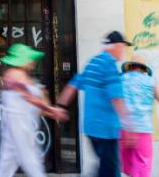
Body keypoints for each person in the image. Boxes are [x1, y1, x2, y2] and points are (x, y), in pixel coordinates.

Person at [57, 31, 133, 177]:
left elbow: (73, 85)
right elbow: (116, 98)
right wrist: (128, 125)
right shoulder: (109, 65)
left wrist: (60, 107)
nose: (124, 50)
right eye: (123, 46)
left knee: (104, 168)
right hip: (106, 130)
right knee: (110, 172)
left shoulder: (93, 62)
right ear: (117, 46)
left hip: (91, 129)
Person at [0, 43, 67, 177]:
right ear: (22, 60)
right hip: (20, 123)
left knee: (8, 159)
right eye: (30, 58)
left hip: (16, 122)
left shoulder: (15, 74)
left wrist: (49, 110)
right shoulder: (16, 75)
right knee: (29, 158)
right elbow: (30, 98)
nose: (33, 61)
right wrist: (52, 110)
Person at [120, 55, 159, 177]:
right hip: (143, 130)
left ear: (130, 66)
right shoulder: (150, 82)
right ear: (144, 69)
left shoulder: (121, 79)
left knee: (129, 168)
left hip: (125, 130)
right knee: (142, 167)